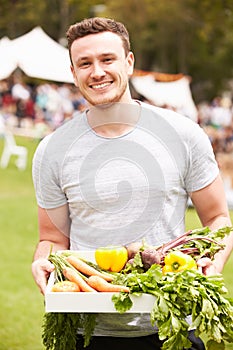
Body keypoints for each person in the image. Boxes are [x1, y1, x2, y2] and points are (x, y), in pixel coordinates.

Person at [31, 17, 233, 350]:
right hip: (88, 331)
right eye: (85, 63)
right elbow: (52, 237)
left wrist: (215, 262)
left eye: (107, 59)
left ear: (129, 62)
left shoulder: (183, 135)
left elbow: (217, 220)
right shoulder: (51, 151)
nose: (97, 71)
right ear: (73, 72)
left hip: (172, 325)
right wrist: (44, 260)